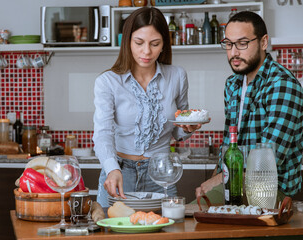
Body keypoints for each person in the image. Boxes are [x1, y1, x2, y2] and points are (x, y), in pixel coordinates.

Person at [93, 7, 202, 208]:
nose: (146, 51)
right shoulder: (108, 82)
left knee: (165, 234)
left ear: (164, 45)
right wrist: (111, 169)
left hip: (161, 173)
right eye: (139, 43)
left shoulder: (177, 76)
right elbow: (103, 133)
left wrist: (188, 128)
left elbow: (178, 129)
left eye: (155, 44)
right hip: (119, 172)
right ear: (127, 41)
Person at [195, 11, 303, 204]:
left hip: (270, 193)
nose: (234, 52)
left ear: (263, 42)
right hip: (232, 185)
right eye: (228, 44)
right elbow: (229, 145)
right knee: (196, 213)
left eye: (242, 43)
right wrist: (213, 180)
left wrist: (218, 181)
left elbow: (268, 160)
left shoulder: (282, 84)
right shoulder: (233, 84)